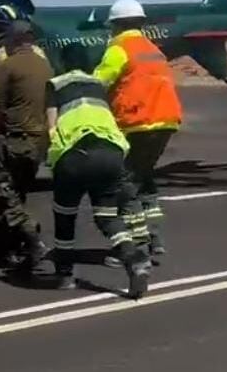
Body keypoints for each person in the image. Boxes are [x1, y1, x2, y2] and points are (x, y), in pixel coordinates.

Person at [45, 43, 151, 296]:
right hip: (110, 154)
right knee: (107, 217)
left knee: (65, 215)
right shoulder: (98, 85)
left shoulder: (55, 84)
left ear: (63, 62)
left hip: (75, 155)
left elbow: (51, 126)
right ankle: (133, 259)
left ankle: (65, 274)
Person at [93, 0, 183, 263]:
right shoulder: (152, 49)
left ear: (116, 25)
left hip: (137, 122)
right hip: (165, 120)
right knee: (144, 178)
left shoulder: (119, 48)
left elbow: (99, 81)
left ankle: (136, 247)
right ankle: (155, 238)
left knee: (125, 184)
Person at [0, 19, 54, 272]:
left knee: (4, 193)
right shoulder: (45, 65)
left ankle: (32, 239)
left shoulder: (8, 65)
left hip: (15, 140)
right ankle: (14, 244)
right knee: (19, 191)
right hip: (38, 142)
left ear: (13, 41)